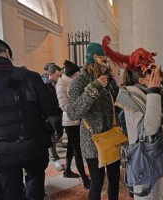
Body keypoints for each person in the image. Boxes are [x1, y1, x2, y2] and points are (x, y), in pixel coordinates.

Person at [0, 35, 61, 199]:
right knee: (35, 185)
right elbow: (51, 109)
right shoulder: (28, 76)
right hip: (32, 147)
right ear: (7, 54)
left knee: (6, 194)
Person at [102, 35, 163, 199]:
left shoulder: (150, 93)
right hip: (142, 160)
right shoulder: (131, 98)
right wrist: (154, 93)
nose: (156, 77)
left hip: (155, 153)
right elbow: (149, 129)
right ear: (141, 79)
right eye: (151, 74)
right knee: (146, 196)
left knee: (159, 196)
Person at [67, 42, 121, 200]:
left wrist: (118, 86)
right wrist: (93, 88)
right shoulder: (80, 81)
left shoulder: (108, 79)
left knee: (114, 181)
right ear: (92, 62)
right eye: (102, 63)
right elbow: (73, 112)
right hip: (92, 140)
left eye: (107, 62)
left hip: (111, 137)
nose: (105, 67)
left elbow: (117, 107)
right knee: (97, 183)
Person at [55, 59, 91, 188]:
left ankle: (67, 170)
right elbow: (64, 105)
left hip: (76, 120)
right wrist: (79, 108)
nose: (78, 75)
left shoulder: (73, 82)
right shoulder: (61, 85)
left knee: (71, 147)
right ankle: (85, 179)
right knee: (78, 150)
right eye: (76, 74)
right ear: (71, 74)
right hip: (71, 121)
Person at [43, 63, 64, 171]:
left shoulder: (58, 82)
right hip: (50, 114)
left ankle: (53, 146)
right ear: (50, 74)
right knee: (52, 137)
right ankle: (55, 159)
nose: (59, 77)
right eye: (57, 75)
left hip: (59, 112)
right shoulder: (43, 84)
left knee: (59, 133)